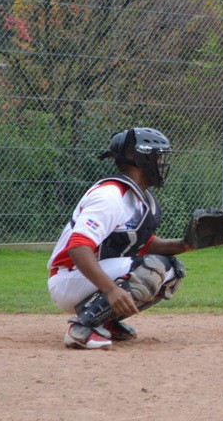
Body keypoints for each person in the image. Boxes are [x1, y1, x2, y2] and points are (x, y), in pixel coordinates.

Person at [47, 127, 194, 350]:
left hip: (88, 277)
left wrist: (186, 244)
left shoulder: (136, 197)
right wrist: (110, 290)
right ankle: (82, 328)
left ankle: (105, 320)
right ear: (140, 158)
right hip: (69, 278)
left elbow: (144, 243)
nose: (162, 164)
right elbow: (78, 248)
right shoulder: (110, 196)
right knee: (153, 267)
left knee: (173, 270)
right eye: (158, 157)